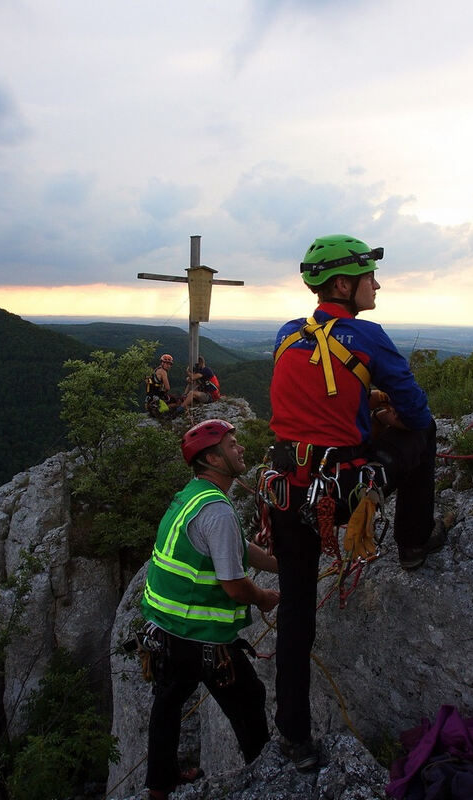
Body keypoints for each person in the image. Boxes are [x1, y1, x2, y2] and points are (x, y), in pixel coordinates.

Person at [268, 234, 446, 770]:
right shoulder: (367, 336)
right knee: (426, 434)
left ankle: (294, 738)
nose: (376, 283)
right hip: (342, 494)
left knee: (296, 612)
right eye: (369, 275)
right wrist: (387, 416)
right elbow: (417, 413)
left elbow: (307, 404)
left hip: (287, 489)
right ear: (344, 285)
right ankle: (414, 543)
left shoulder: (286, 333)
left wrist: (361, 406)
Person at [140, 418, 280, 800]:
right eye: (233, 445)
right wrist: (265, 597)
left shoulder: (193, 495)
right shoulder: (216, 511)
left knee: (167, 707)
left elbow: (232, 547)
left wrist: (273, 563)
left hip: (165, 632)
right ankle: (268, 782)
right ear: (213, 459)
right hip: (203, 642)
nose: (242, 449)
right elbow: (234, 586)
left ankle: (159, 787)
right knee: (249, 703)